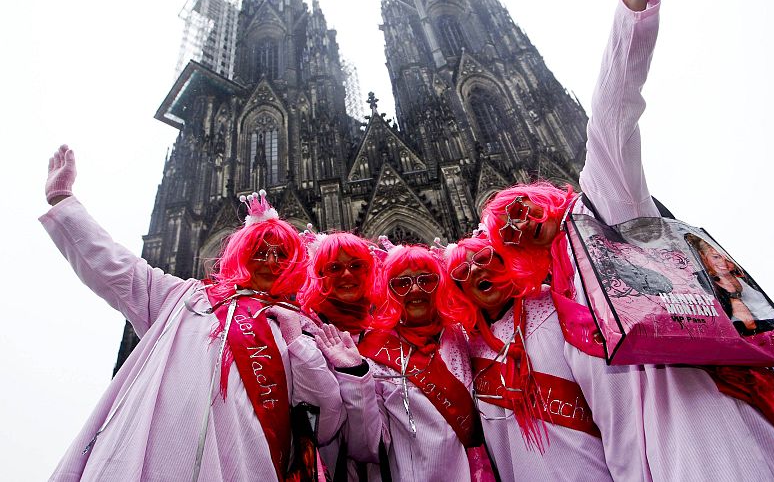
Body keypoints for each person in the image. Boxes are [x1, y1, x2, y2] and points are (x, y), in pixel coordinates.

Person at [481, 0, 774, 481]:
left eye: (522, 208)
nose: (516, 224)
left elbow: (612, 113)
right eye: (504, 229)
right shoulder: (547, 310)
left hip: (706, 417)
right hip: (645, 457)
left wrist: (634, 0)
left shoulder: (602, 214)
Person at [42, 144, 347, 481]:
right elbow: (120, 270)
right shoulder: (188, 298)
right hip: (153, 459)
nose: (271, 262)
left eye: (281, 255)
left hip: (246, 466)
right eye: (260, 252)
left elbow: (327, 415)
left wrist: (297, 341)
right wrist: (64, 202)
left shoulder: (301, 327)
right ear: (242, 255)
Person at [441, 235, 611, 481]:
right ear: (459, 289)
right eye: (462, 271)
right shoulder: (471, 348)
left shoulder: (554, 305)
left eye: (483, 258)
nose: (476, 269)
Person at [326, 243, 493, 481]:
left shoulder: (462, 337)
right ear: (389, 291)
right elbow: (368, 446)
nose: (415, 290)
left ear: (440, 285)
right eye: (402, 283)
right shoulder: (374, 352)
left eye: (426, 280)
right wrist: (356, 376)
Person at [298, 231, 384, 481]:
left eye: (356, 265)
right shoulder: (305, 331)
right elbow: (318, 428)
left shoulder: (388, 328)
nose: (347, 274)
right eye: (334, 267)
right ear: (319, 275)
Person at [685, 232, 774, 335]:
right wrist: (733, 295)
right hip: (758, 331)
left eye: (727, 259)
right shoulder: (702, 281)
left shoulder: (742, 274)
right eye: (716, 257)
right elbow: (746, 323)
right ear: (703, 256)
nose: (724, 264)